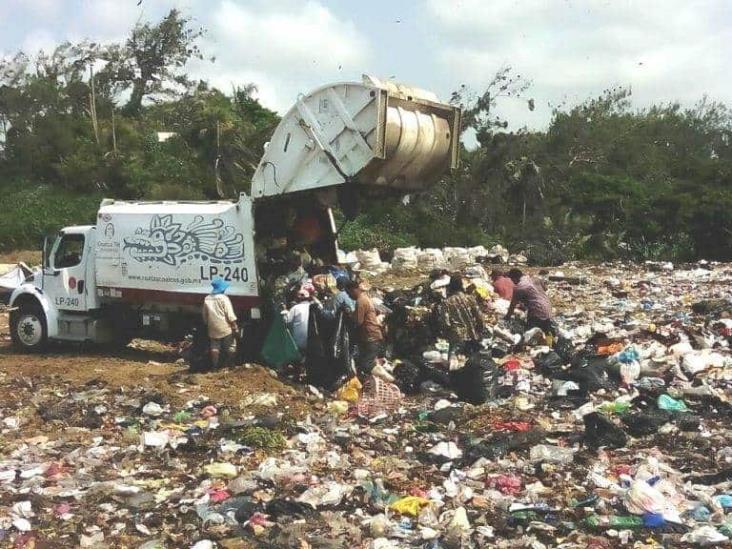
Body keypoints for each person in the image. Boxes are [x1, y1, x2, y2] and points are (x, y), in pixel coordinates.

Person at [433, 273, 485, 347]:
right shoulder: (470, 298)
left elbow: (446, 323)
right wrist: (480, 330)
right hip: (473, 335)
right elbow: (479, 317)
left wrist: (445, 334)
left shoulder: (446, 302)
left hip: (457, 339)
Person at [346, 281, 385, 374]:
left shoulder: (361, 301)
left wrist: (349, 315)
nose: (349, 296)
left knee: (367, 364)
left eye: (349, 293)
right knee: (367, 362)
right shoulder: (365, 298)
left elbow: (358, 321)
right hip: (371, 335)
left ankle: (388, 379)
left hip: (370, 336)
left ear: (354, 290)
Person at [202, 277, 238, 369]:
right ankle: (231, 366)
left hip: (212, 327)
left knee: (214, 346)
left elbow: (205, 316)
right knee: (231, 346)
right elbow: (230, 315)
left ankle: (215, 367)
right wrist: (235, 326)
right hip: (225, 328)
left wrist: (208, 324)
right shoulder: (224, 298)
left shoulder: (207, 299)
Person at [505, 268, 555, 335]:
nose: (512, 281)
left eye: (512, 279)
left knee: (530, 335)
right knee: (546, 331)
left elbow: (512, 305)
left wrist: (507, 317)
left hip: (537, 311)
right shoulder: (534, 279)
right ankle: (550, 344)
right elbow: (545, 289)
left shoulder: (518, 287)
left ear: (515, 278)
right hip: (548, 308)